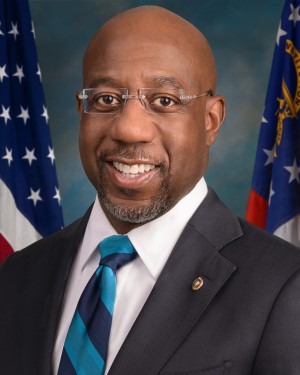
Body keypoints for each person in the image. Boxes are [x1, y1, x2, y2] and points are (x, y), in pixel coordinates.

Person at [1, 5, 300, 375]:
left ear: (211, 121)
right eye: (107, 99)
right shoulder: (18, 274)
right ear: (82, 110)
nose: (130, 129)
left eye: (164, 101)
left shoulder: (284, 285)